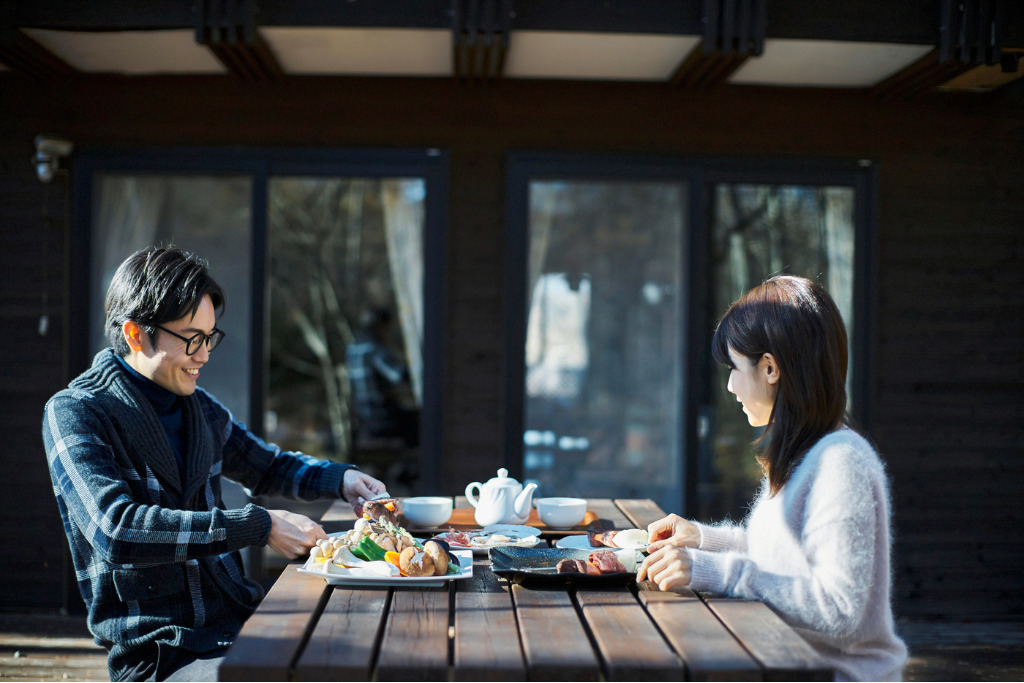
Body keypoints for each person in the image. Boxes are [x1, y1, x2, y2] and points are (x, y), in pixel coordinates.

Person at [42, 246, 387, 682]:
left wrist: (342, 478)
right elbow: (116, 530)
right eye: (191, 338)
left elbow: (267, 466)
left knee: (364, 653)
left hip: (239, 623)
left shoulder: (199, 408)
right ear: (135, 334)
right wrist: (258, 526)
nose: (204, 354)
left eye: (210, 337)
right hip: (159, 652)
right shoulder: (76, 412)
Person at [638, 275, 907, 682]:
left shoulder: (841, 463)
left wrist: (713, 571)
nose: (730, 385)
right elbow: (784, 557)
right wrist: (701, 538)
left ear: (769, 368)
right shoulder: (806, 451)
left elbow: (840, 611)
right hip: (779, 662)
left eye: (734, 367)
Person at [346, 308, 420, 448]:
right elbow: (397, 375)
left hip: (365, 420)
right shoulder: (373, 349)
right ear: (380, 326)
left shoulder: (352, 349)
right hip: (383, 417)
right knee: (426, 423)